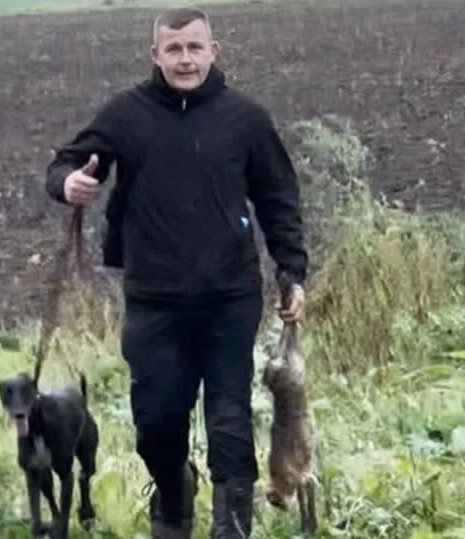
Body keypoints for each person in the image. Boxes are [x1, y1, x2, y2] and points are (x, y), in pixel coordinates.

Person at [45, 7, 308, 538]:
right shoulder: (125, 114)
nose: (185, 59)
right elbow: (67, 163)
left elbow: (279, 198)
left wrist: (291, 271)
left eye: (194, 48)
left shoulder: (246, 119)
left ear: (214, 50)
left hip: (230, 298)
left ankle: (231, 527)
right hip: (154, 300)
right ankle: (174, 490)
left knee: (230, 422)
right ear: (155, 56)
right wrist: (69, 183)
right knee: (157, 427)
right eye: (174, 49)